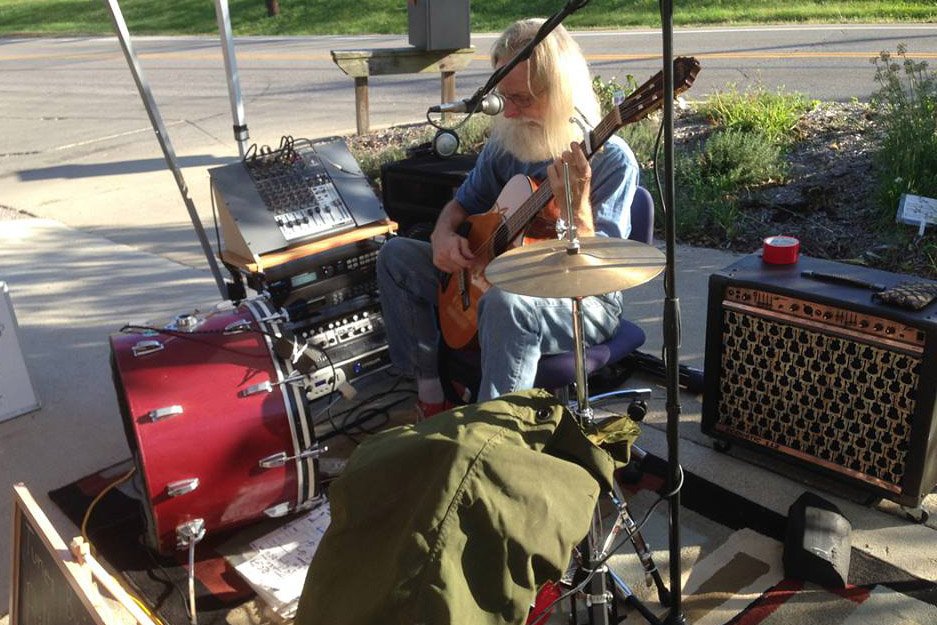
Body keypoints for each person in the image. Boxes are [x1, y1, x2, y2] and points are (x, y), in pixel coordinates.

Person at [376, 17, 639, 417]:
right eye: (503, 98)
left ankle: (492, 442)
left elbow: (599, 272)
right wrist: (442, 235)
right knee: (395, 256)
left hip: (580, 301)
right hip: (500, 276)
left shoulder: (610, 160)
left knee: (506, 303)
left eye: (523, 99)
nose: (510, 113)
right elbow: (460, 206)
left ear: (561, 91)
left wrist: (576, 203)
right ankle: (432, 394)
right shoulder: (507, 144)